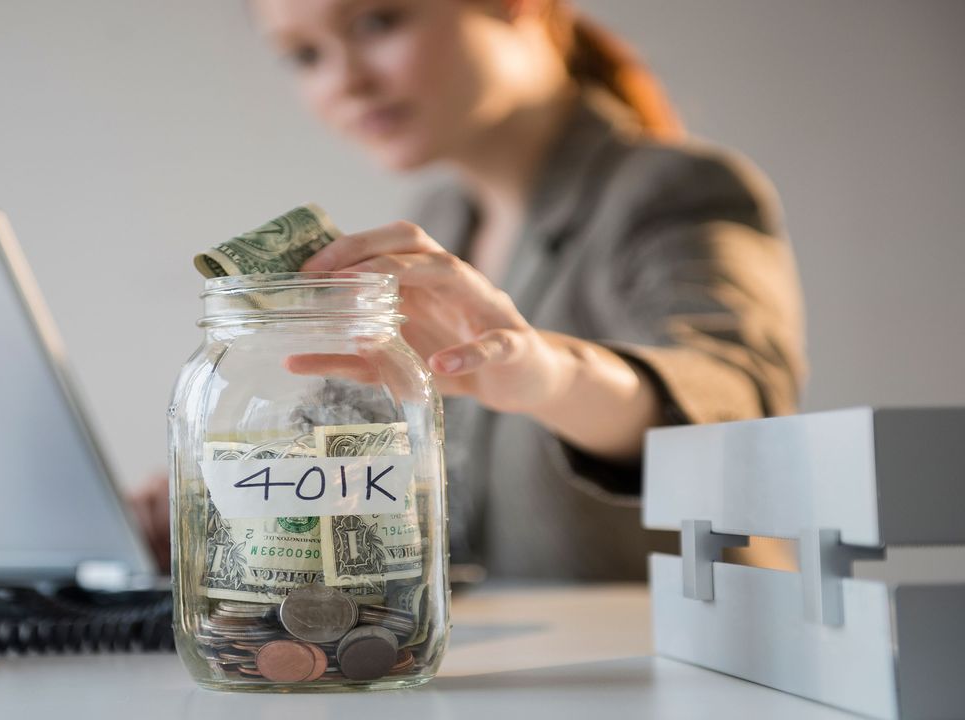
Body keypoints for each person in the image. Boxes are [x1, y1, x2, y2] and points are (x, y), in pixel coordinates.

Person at [134, 0, 805, 580]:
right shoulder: (442, 222)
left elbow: (737, 400)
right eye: (305, 56)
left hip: (693, 666)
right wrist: (252, 507)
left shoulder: (669, 190)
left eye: (377, 21)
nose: (346, 81)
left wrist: (548, 376)